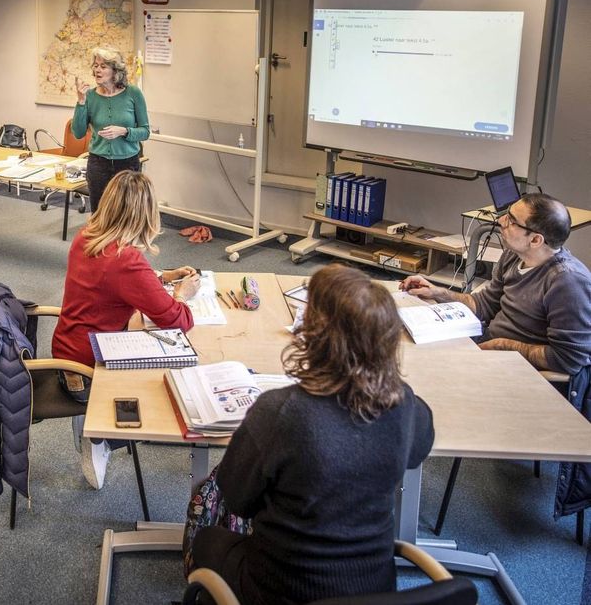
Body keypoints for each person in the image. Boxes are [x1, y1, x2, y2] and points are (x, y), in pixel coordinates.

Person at [183, 263, 434, 604]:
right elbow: (420, 448)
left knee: (207, 540)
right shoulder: (404, 405)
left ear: (314, 336)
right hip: (373, 589)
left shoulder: (280, 410)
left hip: (280, 588)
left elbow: (238, 498)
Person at [51, 170, 200, 489]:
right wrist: (181, 294)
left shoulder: (88, 234)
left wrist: (163, 277)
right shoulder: (125, 259)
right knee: (175, 360)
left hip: (68, 348)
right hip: (87, 370)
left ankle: (102, 427)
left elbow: (118, 285)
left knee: (145, 336)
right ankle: (100, 433)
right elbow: (178, 320)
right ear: (144, 215)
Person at [402, 193, 591, 376]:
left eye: (511, 221)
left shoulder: (568, 282)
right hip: (489, 346)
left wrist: (503, 346)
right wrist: (438, 293)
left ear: (535, 240)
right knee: (405, 344)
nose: (501, 222)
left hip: (519, 370)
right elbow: (485, 304)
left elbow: (569, 359)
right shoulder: (514, 255)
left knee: (424, 369)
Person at [73, 47, 150, 213]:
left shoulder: (133, 93)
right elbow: (78, 133)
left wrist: (123, 131)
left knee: (126, 214)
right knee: (100, 214)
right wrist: (80, 101)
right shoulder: (90, 96)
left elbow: (145, 132)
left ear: (115, 71)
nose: (97, 70)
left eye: (103, 66)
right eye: (95, 65)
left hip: (128, 164)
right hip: (98, 164)